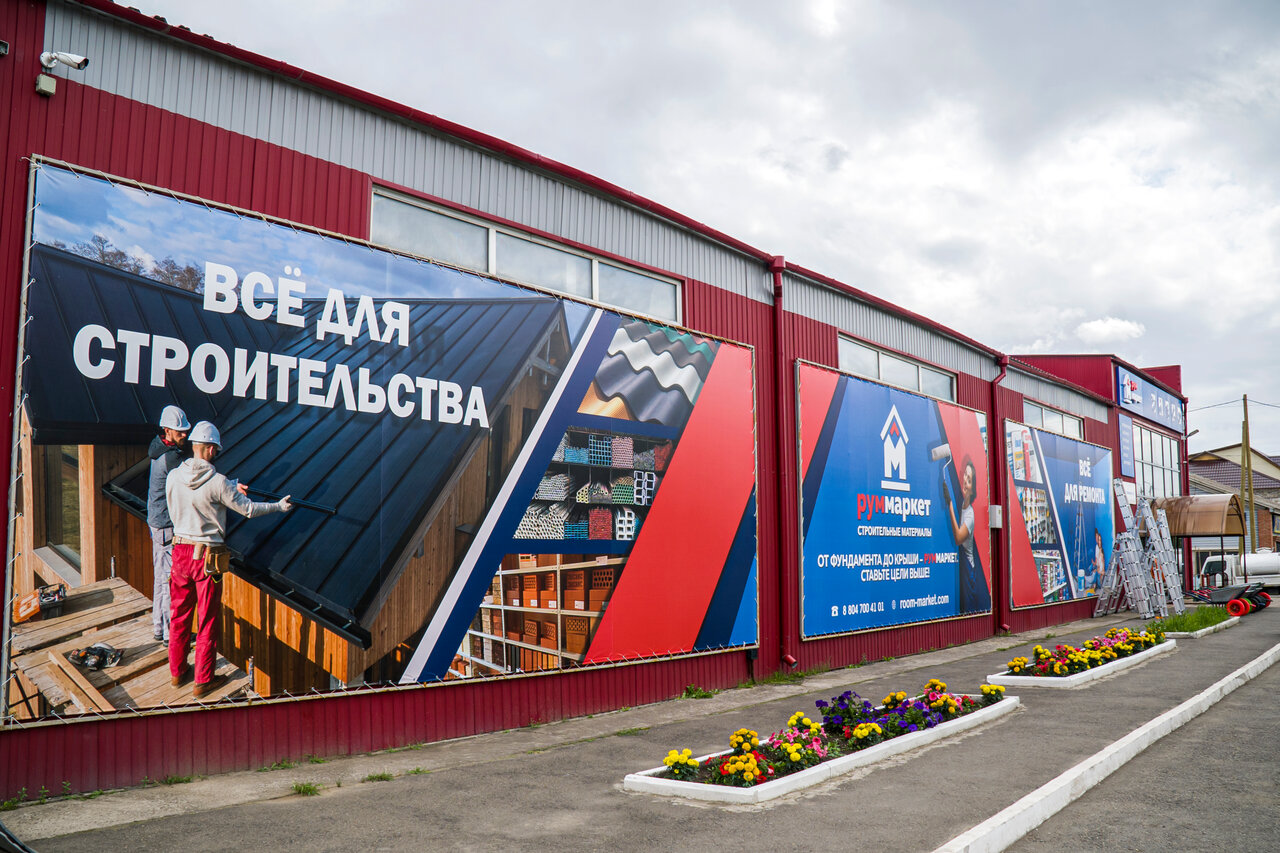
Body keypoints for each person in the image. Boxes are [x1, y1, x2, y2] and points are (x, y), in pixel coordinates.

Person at [166, 421, 292, 698]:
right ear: (211, 449)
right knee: (207, 619)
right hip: (206, 558)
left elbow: (195, 497)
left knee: (179, 615)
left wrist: (231, 487)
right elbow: (248, 510)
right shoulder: (218, 483)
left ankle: (177, 673)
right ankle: (203, 680)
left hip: (179, 553)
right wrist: (278, 506)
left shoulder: (174, 476)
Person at [147, 406, 191, 643]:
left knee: (160, 577)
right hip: (165, 525)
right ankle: (168, 633)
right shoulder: (171, 458)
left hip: (157, 522)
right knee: (167, 580)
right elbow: (191, 482)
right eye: (180, 431)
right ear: (167, 430)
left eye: (185, 431)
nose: (185, 435)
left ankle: (158, 627)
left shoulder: (158, 448)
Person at [944, 457, 991, 614]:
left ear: (973, 489)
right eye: (965, 475)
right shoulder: (962, 507)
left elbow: (958, 538)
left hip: (968, 573)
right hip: (962, 570)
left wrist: (949, 505)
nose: (965, 481)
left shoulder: (970, 515)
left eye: (969, 480)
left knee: (967, 612)